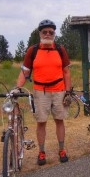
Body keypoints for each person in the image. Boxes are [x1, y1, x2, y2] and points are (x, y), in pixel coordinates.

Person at [14, 19, 71, 165]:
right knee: (41, 122)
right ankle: (41, 152)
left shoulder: (60, 49)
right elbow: (25, 72)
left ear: (54, 34)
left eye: (50, 32)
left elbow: (66, 72)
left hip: (59, 90)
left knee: (59, 120)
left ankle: (62, 149)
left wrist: (68, 92)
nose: (47, 34)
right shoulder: (32, 51)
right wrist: (17, 87)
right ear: (40, 33)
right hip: (40, 92)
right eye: (44, 32)